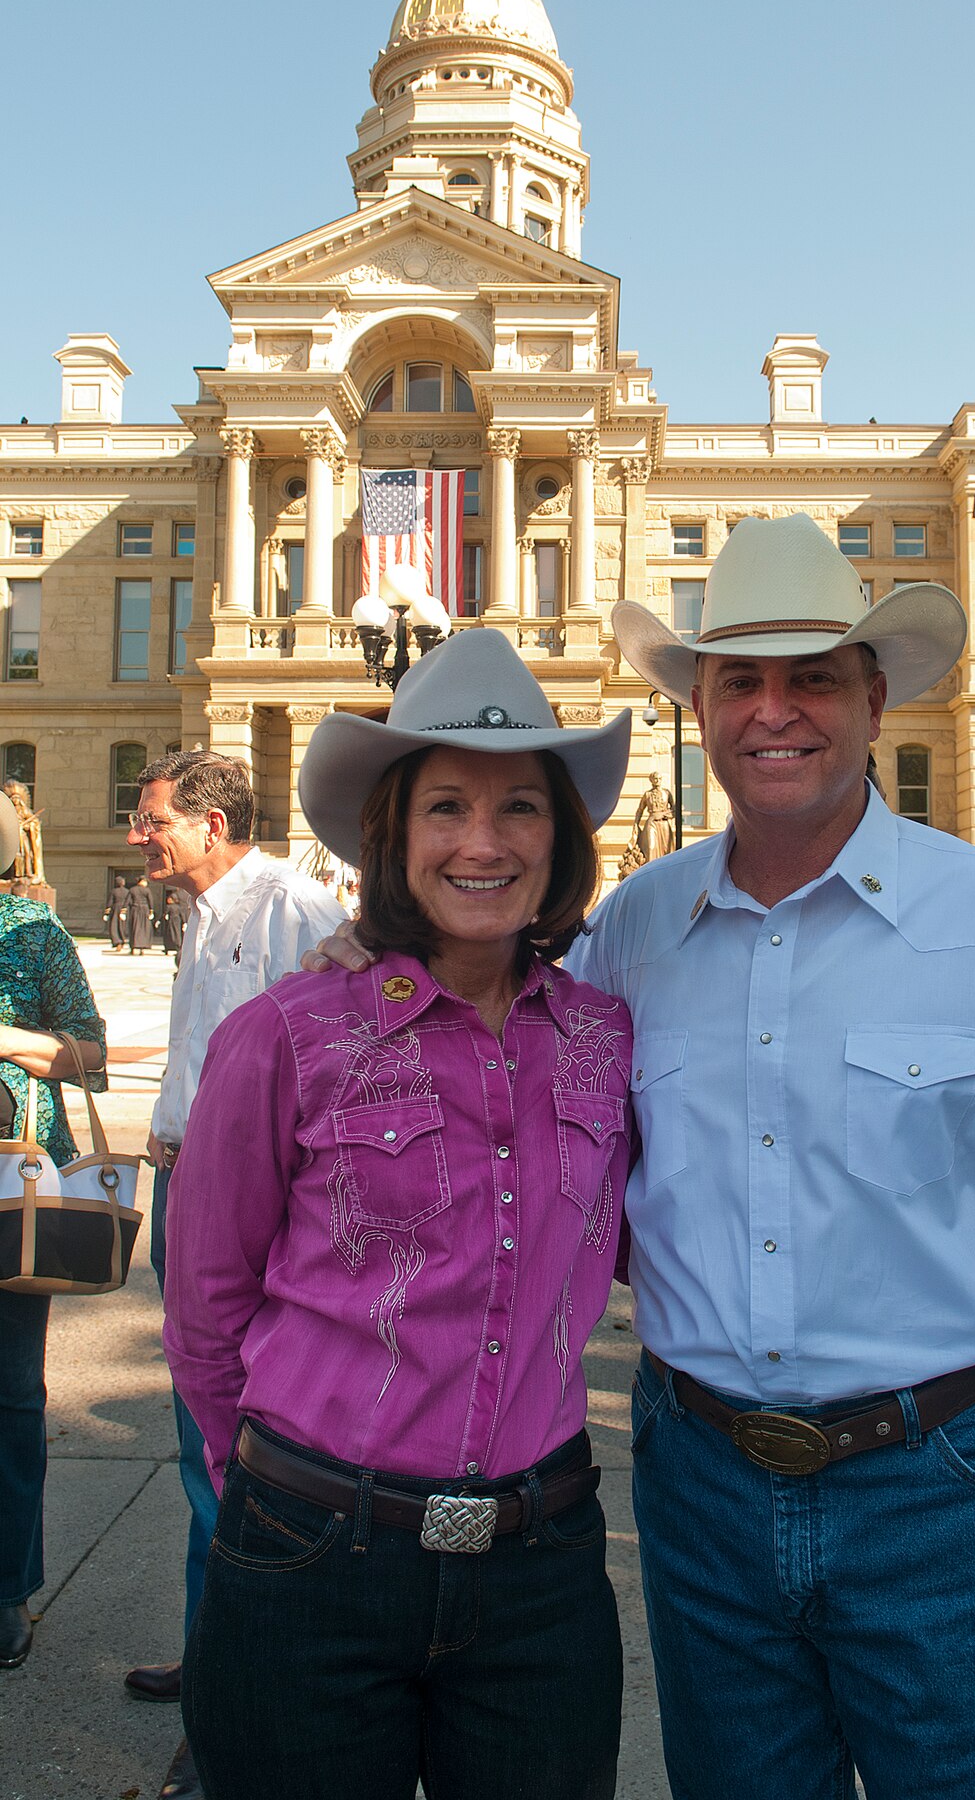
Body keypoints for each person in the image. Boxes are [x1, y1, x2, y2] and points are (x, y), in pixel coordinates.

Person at [308, 515, 975, 1800]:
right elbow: (489, 1030)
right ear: (699, 701)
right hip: (705, 1491)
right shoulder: (635, 928)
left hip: (951, 1487)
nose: (774, 710)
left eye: (812, 675)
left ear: (873, 695)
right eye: (741, 677)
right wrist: (378, 960)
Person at [163, 631, 633, 1800]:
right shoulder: (284, 1034)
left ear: (561, 839)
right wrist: (261, 1499)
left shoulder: (606, 1037)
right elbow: (205, 1304)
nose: (483, 841)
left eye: (521, 806)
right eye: (446, 807)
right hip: (313, 1552)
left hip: (543, 1565)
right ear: (392, 834)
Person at [120, 752, 343, 1800]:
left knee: (238, 1455)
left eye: (152, 817)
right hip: (186, 1197)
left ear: (213, 823)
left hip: (249, 1219)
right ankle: (213, 1654)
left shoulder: (295, 906)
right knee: (196, 1444)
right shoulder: (203, 911)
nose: (138, 834)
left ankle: (230, 1715)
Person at [0, 789, 107, 1668]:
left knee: (6, 1395)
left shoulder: (32, 935)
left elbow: (92, 1054)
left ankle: (5, 1589)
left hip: (12, 1190)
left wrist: (6, 1036)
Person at [633, 770, 676, 863]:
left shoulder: (667, 793)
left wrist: (666, 815)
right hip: (651, 822)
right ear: (651, 780)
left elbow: (674, 808)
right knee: (651, 847)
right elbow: (640, 810)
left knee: (667, 849)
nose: (657, 780)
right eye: (655, 779)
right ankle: (650, 872)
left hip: (664, 822)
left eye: (659, 778)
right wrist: (636, 824)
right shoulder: (647, 794)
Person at [125, 874, 154, 954]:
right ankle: (142, 947)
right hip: (145, 910)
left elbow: (127, 901)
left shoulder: (132, 889)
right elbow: (150, 901)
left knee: (134, 927)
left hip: (135, 910)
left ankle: (133, 947)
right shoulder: (147, 890)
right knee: (144, 928)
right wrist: (151, 911)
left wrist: (123, 910)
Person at [162, 887, 191, 959]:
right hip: (186, 914)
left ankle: (174, 947)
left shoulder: (176, 894)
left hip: (175, 915)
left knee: (173, 932)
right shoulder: (188, 894)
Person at [104, 874, 129, 950]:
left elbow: (110, 902)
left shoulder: (113, 891)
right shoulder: (127, 891)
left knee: (114, 926)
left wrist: (107, 912)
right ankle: (123, 939)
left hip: (115, 909)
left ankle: (117, 941)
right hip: (124, 910)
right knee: (123, 926)